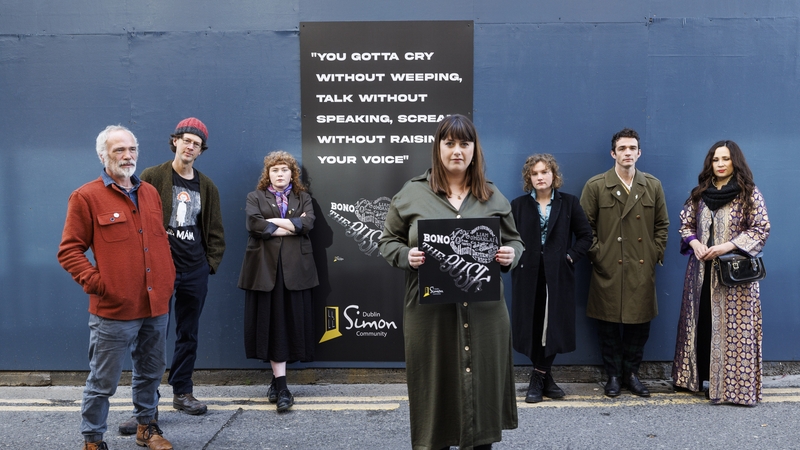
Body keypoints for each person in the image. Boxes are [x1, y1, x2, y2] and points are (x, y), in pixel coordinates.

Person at [379, 114, 524, 450]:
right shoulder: (412, 194)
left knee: (482, 408)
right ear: (438, 147)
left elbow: (516, 242)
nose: (457, 150)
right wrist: (407, 256)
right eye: (450, 143)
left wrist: (509, 255)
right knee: (436, 400)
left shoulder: (492, 195)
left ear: (474, 149)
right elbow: (388, 241)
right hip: (431, 317)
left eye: (464, 143)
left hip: (485, 315)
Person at [57, 125, 175, 450]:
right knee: (102, 381)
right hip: (113, 309)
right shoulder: (86, 196)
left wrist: (167, 279)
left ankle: (146, 427)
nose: (127, 156)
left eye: (131, 149)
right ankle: (93, 439)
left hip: (155, 305)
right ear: (103, 155)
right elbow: (69, 250)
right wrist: (100, 284)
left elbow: (157, 242)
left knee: (151, 373)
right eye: (118, 150)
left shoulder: (149, 192)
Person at [135, 118, 225, 423]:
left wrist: (209, 264)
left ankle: (182, 391)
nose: (190, 147)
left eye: (196, 144)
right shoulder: (152, 176)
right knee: (152, 335)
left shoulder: (206, 185)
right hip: (160, 271)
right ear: (175, 141)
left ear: (201, 151)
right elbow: (139, 223)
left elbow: (214, 230)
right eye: (186, 140)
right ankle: (147, 405)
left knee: (188, 333)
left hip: (194, 270)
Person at [672, 140, 769, 406]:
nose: (721, 164)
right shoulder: (700, 193)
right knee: (703, 324)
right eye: (716, 160)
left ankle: (731, 388)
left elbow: (760, 229)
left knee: (734, 330)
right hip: (702, 273)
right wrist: (695, 244)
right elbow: (685, 223)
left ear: (735, 161)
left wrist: (726, 247)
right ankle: (700, 378)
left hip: (735, 278)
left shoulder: (748, 193)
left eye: (726, 159)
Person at [579, 128, 669, 398]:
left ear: (639, 153)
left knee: (638, 326)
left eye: (632, 148)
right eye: (622, 149)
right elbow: (584, 228)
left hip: (641, 267)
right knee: (607, 326)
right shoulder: (596, 185)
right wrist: (599, 255)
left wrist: (654, 254)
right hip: (609, 267)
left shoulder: (652, 185)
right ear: (613, 153)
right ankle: (614, 376)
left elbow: (662, 225)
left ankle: (632, 374)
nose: (627, 153)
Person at [237, 150, 318, 412]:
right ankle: (282, 387)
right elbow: (254, 225)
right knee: (271, 325)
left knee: (289, 325)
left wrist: (274, 223)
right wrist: (292, 225)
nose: (280, 174)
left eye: (284, 169)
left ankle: (276, 382)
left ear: (292, 173)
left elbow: (308, 225)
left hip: (295, 271)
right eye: (275, 170)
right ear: (267, 174)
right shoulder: (255, 197)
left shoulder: (303, 197)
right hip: (264, 271)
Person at [510, 154, 592, 403]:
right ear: (529, 178)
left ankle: (537, 379)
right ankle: (547, 378)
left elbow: (586, 236)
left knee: (552, 326)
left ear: (553, 176)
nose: (540, 177)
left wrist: (569, 257)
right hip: (527, 273)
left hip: (558, 275)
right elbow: (508, 238)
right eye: (534, 173)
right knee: (532, 325)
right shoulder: (518, 205)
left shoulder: (568, 203)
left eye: (544, 172)